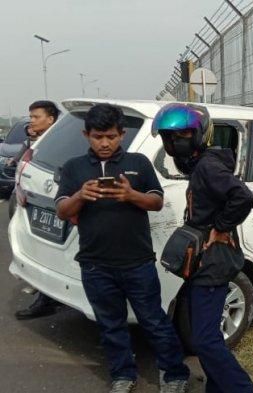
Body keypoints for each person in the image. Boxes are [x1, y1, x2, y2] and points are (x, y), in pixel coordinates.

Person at [55, 104, 190, 393]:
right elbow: (62, 211)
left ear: (122, 134)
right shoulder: (74, 167)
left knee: (153, 320)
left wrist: (131, 195)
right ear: (86, 134)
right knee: (110, 325)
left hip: (137, 262)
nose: (105, 143)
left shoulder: (139, 163)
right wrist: (80, 195)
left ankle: (175, 373)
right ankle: (122, 375)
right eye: (98, 136)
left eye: (112, 136)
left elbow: (156, 201)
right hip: (95, 264)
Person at [154, 103, 253, 393]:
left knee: (204, 340)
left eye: (181, 136)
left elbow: (242, 197)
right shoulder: (202, 163)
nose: (173, 143)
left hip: (212, 263)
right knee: (206, 335)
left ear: (199, 136)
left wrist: (220, 227)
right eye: (168, 137)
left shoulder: (208, 166)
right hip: (205, 260)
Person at [14, 100, 62, 320]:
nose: (31, 121)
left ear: (51, 119)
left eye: (36, 117)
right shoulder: (42, 141)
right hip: (34, 203)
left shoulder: (58, 141)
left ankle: (47, 299)